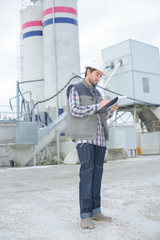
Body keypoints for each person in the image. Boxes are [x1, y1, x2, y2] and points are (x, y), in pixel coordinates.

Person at [66, 60, 119, 229]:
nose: (98, 78)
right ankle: (85, 215)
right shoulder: (75, 88)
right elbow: (75, 110)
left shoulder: (97, 93)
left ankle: (96, 211)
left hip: (100, 140)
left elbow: (101, 115)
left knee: (97, 176)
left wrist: (110, 110)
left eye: (100, 76)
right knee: (87, 175)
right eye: (97, 74)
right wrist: (98, 105)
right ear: (88, 71)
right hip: (85, 139)